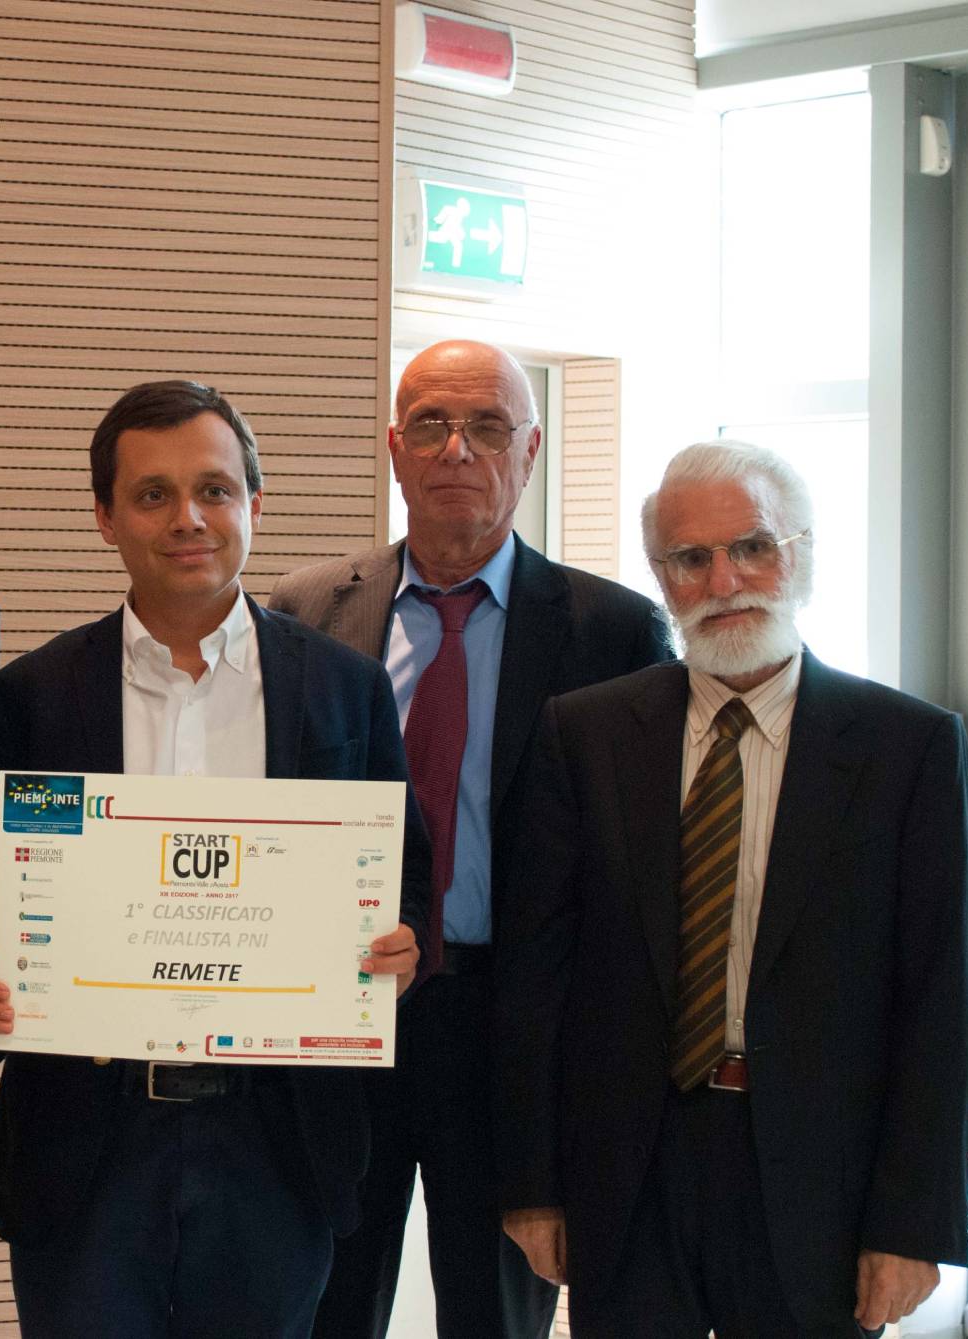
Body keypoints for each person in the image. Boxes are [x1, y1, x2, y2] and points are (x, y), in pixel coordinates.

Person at [0, 380, 429, 1338]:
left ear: (255, 502)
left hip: (278, 1144)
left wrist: (403, 945)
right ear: (105, 517)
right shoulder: (30, 695)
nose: (188, 519)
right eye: (153, 494)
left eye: (214, 489)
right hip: (86, 1143)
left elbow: (404, 880)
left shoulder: (346, 689)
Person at [494, 441, 968, 1337]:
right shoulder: (584, 735)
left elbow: (942, 1002)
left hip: (821, 1181)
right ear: (662, 578)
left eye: (753, 547)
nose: (725, 581)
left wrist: (915, 1224)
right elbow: (537, 977)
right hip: (628, 1174)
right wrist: (532, 1186)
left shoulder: (908, 748)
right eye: (691, 558)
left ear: (801, 555)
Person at [267, 339, 672, 1339]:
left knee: (494, 1315)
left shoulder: (613, 631)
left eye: (488, 426)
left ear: (528, 451)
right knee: (321, 1307)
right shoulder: (306, 609)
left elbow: (636, 871)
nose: (458, 449)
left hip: (513, 1033)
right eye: (432, 426)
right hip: (340, 1013)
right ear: (394, 449)